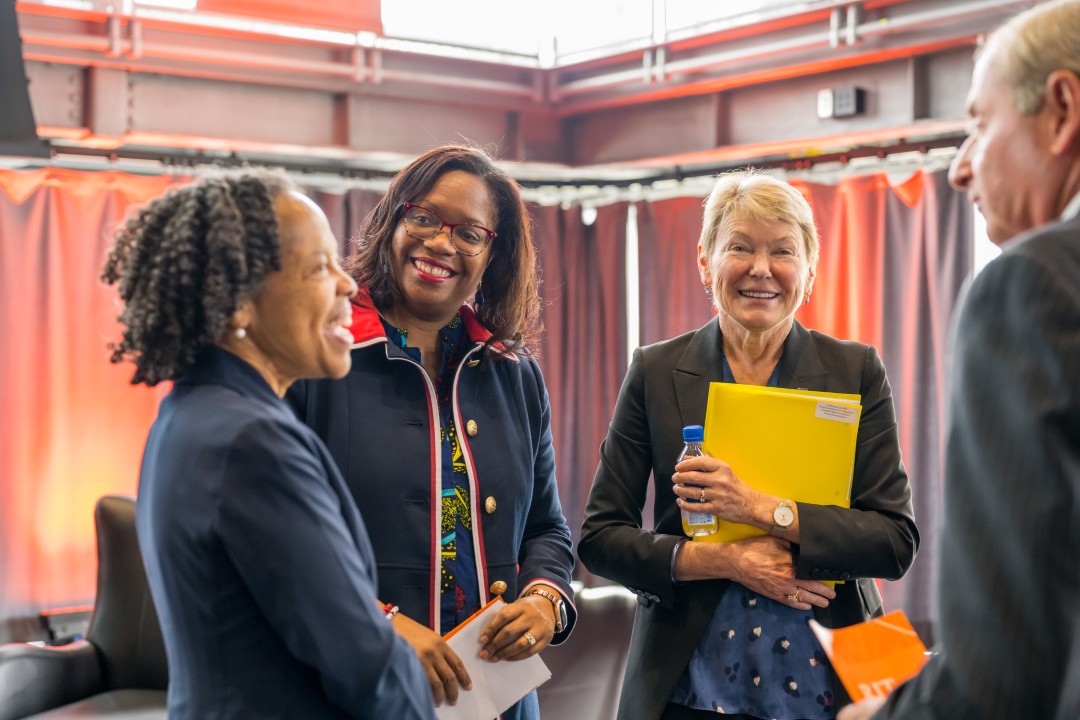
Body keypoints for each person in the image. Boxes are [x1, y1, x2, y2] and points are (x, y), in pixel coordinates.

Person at [578, 170, 919, 720]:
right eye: (740, 246)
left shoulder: (854, 371)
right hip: (688, 686)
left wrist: (758, 508)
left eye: (782, 251)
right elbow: (599, 538)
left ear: (809, 271)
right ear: (705, 262)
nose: (761, 269)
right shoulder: (656, 370)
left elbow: (894, 541)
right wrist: (728, 561)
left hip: (832, 680)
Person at [103, 170, 436, 719]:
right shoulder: (253, 443)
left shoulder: (190, 413)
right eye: (318, 268)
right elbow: (365, 666)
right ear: (237, 304)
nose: (348, 285)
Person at [838, 2, 1080, 719]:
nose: (958, 169)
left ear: (1063, 109)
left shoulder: (1034, 286)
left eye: (979, 123)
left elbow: (1003, 672)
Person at [287, 144, 576, 719]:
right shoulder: (319, 357)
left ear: (492, 255)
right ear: (393, 219)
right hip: (360, 687)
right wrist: (380, 623)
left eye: (470, 234)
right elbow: (286, 543)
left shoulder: (513, 373)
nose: (442, 243)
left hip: (496, 697)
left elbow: (546, 527)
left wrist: (546, 601)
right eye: (424, 217)